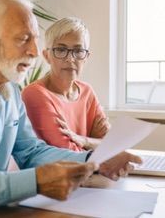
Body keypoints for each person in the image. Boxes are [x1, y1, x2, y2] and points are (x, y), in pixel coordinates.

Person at [0, 0, 140, 211]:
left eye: (35, 40)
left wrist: (93, 160)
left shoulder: (11, 91)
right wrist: (34, 182)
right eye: (24, 39)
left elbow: (31, 152)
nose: (34, 52)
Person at [22, 17, 140, 175]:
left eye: (78, 51)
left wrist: (83, 140)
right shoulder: (35, 94)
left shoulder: (87, 91)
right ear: (46, 56)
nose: (70, 59)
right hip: (56, 182)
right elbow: (70, 153)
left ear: (86, 57)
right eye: (61, 50)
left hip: (89, 179)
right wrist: (94, 146)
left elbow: (111, 145)